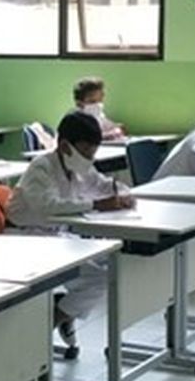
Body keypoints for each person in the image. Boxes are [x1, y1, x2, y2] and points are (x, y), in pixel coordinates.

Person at [7, 111, 133, 351]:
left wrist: (124, 194)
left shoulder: (79, 166)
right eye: (86, 152)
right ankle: (49, 325)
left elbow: (103, 185)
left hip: (55, 236)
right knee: (98, 278)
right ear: (65, 146)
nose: (89, 159)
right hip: (23, 238)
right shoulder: (41, 167)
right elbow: (47, 206)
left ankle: (64, 311)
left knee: (110, 263)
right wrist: (96, 204)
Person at [72, 77, 126, 141]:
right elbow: (90, 137)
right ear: (79, 103)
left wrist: (118, 128)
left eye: (100, 100)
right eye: (92, 101)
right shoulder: (75, 119)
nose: (97, 105)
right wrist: (112, 134)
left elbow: (115, 127)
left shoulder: (99, 115)